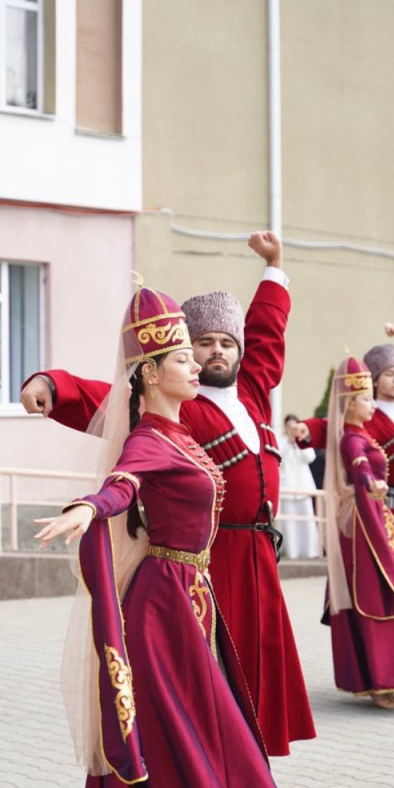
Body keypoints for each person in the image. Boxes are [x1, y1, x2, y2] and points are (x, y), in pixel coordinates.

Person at [33, 284, 336, 788]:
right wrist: (88, 508)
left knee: (190, 747)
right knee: (188, 747)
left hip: (192, 605)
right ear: (150, 372)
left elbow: (261, 352)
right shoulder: (150, 435)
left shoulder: (190, 425)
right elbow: (122, 482)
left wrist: (276, 276)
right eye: (183, 357)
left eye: (207, 352)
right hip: (162, 613)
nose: (198, 363)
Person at [21, 232, 315, 757]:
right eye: (204, 344)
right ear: (182, 355)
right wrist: (53, 384)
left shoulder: (252, 393)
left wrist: (274, 269)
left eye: (227, 342)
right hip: (210, 557)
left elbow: (269, 335)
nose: (216, 352)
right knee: (220, 675)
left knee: (260, 662)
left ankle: (250, 769)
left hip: (259, 558)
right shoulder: (176, 407)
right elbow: (110, 398)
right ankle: (220, 769)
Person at [322, 356, 394, 710]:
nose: (374, 404)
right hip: (366, 525)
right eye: (368, 398)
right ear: (351, 404)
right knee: (378, 594)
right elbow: (358, 468)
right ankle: (380, 680)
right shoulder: (354, 438)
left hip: (374, 518)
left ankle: (382, 678)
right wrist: (372, 484)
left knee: (382, 593)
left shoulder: (361, 433)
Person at [296, 323, 394, 614]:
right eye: (389, 375)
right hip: (387, 503)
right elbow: (332, 425)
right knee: (392, 567)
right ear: (374, 379)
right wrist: (305, 429)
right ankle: (392, 614)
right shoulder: (367, 415)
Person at [280, 413, 320, 559]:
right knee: (289, 523)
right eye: (288, 426)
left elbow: (310, 457)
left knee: (307, 520)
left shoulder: (304, 441)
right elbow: (279, 459)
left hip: (303, 486)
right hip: (287, 487)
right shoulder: (281, 441)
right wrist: (289, 443)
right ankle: (292, 552)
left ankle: (310, 551)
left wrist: (298, 444)